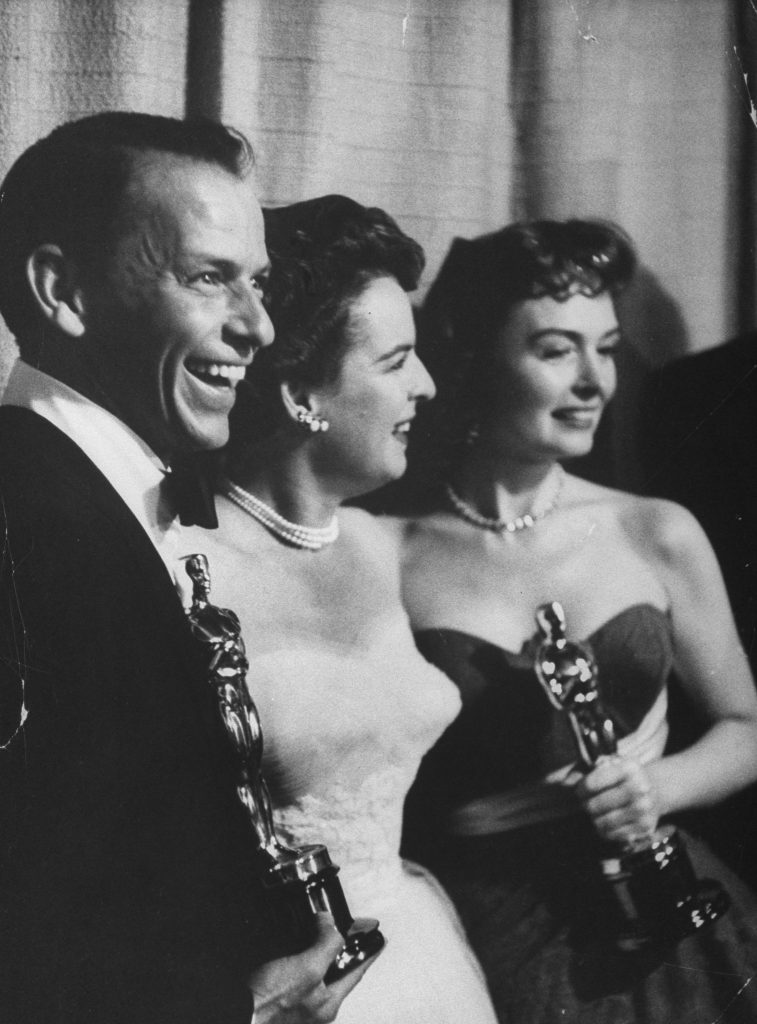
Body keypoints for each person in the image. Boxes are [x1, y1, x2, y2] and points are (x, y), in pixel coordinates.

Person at [0, 113, 375, 1024]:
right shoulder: (21, 513)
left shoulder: (102, 494)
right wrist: (240, 1008)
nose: (258, 326)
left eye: (260, 285)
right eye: (210, 279)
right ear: (64, 290)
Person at [396, 220, 757, 1023]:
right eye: (557, 350)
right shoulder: (390, 551)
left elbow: (746, 724)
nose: (595, 379)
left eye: (608, 347)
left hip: (667, 914)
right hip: (482, 926)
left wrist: (657, 786)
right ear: (474, 357)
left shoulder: (654, 530)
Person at [181, 194, 499, 1024]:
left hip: (415, 949)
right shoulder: (183, 565)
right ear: (299, 395)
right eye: (396, 362)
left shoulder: (380, 543)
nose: (427, 386)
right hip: (274, 984)